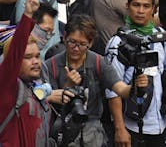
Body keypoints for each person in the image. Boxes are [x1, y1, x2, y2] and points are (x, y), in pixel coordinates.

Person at [105, 0, 166, 146]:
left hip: (160, 123)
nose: (140, 11)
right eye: (136, 5)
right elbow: (112, 89)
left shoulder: (160, 37)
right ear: (127, 6)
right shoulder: (118, 42)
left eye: (146, 6)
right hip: (131, 125)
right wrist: (119, 128)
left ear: (153, 9)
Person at [44, 15, 132, 146]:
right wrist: (67, 87)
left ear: (90, 43)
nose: (76, 48)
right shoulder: (50, 65)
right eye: (72, 42)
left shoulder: (98, 62)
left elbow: (120, 89)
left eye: (82, 44)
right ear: (64, 37)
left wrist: (136, 86)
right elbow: (42, 99)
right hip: (61, 129)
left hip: (92, 131)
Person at [0, 0, 52, 146]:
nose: (35, 61)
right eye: (28, 57)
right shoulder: (6, 86)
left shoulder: (35, 85)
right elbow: (15, 52)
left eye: (37, 56)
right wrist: (28, 15)